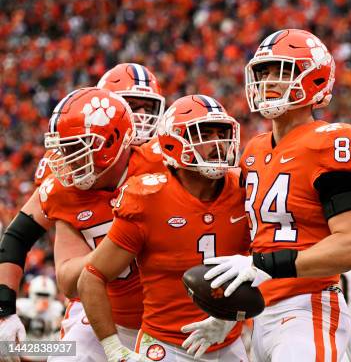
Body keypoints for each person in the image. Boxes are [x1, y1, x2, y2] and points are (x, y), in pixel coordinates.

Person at [187, 29, 351, 361]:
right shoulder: (254, 150)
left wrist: (266, 266)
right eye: (264, 72)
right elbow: (256, 243)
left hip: (308, 306)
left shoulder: (331, 142)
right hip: (261, 314)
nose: (268, 81)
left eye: (280, 71)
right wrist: (225, 313)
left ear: (314, 79)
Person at [0, 63, 165, 351]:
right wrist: (3, 310)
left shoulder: (168, 161)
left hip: (169, 313)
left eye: (146, 108)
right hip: (100, 308)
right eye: (129, 106)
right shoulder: (69, 175)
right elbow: (18, 237)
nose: (139, 118)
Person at [77, 95, 250, 361]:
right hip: (166, 347)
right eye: (204, 134)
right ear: (172, 143)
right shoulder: (148, 197)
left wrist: (230, 318)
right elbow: (91, 276)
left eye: (222, 133)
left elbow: (265, 262)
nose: (217, 143)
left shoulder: (244, 189)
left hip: (229, 340)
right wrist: (113, 349)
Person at [40, 86, 165, 361]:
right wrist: (117, 246)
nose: (66, 159)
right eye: (63, 147)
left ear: (110, 142)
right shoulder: (65, 192)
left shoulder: (162, 164)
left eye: (76, 147)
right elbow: (69, 281)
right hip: (110, 319)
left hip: (170, 320)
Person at [16, 276, 64, 362]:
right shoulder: (21, 306)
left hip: (47, 357)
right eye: (39, 294)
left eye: (46, 295)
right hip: (24, 356)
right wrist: (34, 313)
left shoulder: (58, 308)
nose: (42, 298)